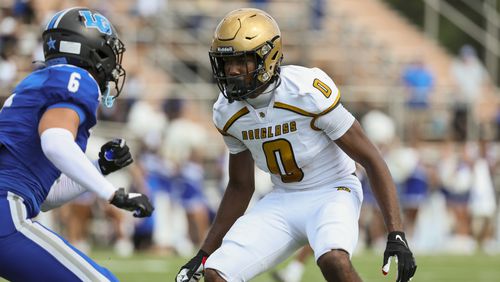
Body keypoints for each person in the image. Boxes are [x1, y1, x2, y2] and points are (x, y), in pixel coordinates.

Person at [176, 8, 416, 282]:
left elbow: (371, 158)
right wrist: (205, 253)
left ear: (268, 57)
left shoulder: (306, 90)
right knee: (215, 274)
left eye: (242, 61)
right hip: (283, 198)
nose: (231, 70)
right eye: (226, 61)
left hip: (332, 190)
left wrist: (396, 233)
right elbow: (241, 185)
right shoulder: (226, 111)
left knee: (333, 260)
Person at [0, 7, 154, 281]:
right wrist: (113, 193)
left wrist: (100, 167)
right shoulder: (76, 77)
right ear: (94, 51)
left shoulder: (34, 83)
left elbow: (43, 196)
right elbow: (55, 142)